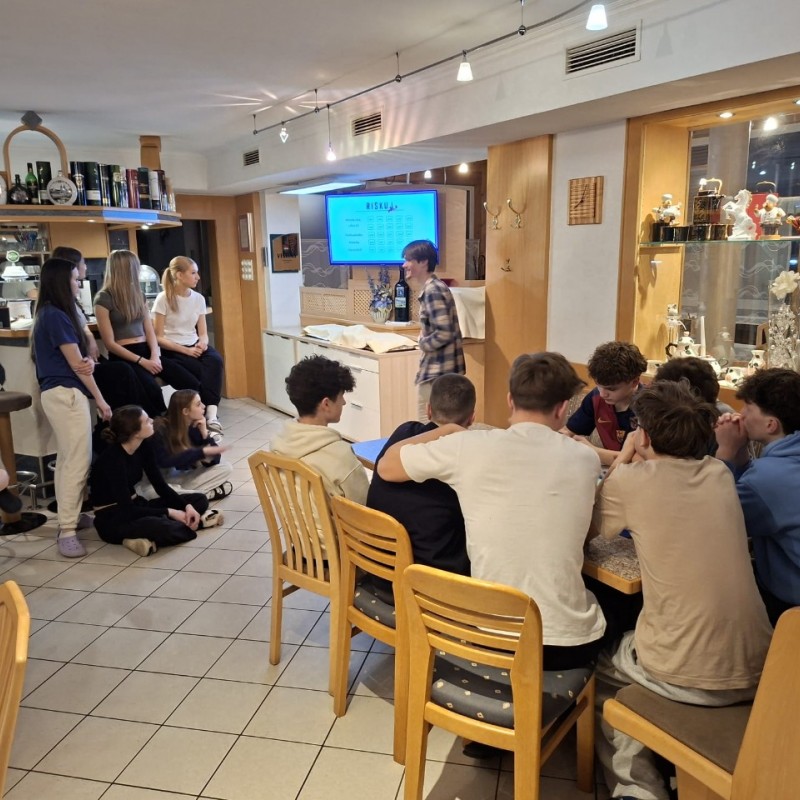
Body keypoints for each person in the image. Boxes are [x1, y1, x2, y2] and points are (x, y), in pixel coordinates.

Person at [593, 380, 772, 800]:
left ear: (644, 434)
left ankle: (637, 788)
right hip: (760, 664)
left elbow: (590, 530)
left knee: (602, 665)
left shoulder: (631, 481)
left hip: (687, 675)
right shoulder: (718, 474)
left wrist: (624, 457)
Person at [378, 352, 607, 670]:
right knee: (610, 603)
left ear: (510, 400)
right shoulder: (586, 459)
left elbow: (387, 466)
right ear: (562, 408)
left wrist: (447, 429)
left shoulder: (469, 447)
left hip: (488, 636)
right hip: (563, 648)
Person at [32, 257, 112, 557]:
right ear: (61, 282)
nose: (79, 284)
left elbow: (79, 361)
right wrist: (100, 400)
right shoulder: (55, 316)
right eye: (75, 280)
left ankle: (72, 517)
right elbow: (77, 366)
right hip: (65, 394)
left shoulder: (49, 314)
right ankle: (66, 529)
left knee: (68, 459)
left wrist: (86, 361)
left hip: (58, 393)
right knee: (78, 461)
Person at [367, 373, 475, 582]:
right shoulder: (464, 461)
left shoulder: (403, 433)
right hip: (428, 582)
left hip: (377, 568)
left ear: (428, 410)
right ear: (471, 418)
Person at [715, 368, 800, 625]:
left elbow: (712, 521)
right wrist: (741, 457)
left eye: (748, 409)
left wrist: (725, 453)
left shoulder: (768, 477)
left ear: (771, 424)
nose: (740, 414)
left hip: (790, 606)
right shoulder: (780, 465)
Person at [89, 405, 221, 557]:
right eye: (146, 421)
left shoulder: (143, 446)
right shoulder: (112, 459)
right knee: (168, 529)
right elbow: (127, 510)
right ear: (135, 432)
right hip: (113, 518)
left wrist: (186, 506)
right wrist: (170, 511)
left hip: (137, 505)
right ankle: (198, 522)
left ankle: (154, 532)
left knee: (199, 500)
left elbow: (161, 486)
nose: (152, 420)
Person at [52, 245, 143, 413]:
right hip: (74, 367)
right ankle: (131, 420)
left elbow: (82, 324)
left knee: (129, 376)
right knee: (124, 372)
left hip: (87, 358)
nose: (85, 267)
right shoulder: (57, 310)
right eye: (83, 263)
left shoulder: (70, 302)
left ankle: (137, 420)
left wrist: (90, 337)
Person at [271, 355, 368, 504]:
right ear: (326, 404)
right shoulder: (340, 456)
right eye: (341, 396)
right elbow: (365, 505)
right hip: (332, 521)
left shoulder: (278, 443)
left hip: (293, 519)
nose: (343, 402)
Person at [152, 256, 225, 435]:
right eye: (193, 273)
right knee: (199, 373)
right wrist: (186, 350)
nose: (198, 277)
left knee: (215, 360)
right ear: (179, 275)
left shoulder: (198, 299)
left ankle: (211, 414)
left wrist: (202, 344)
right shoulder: (163, 299)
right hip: (172, 349)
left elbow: (203, 333)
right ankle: (202, 419)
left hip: (193, 344)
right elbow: (158, 337)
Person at [94, 249, 166, 418]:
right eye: (136, 267)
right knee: (150, 389)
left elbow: (149, 330)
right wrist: (142, 361)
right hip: (124, 356)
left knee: (184, 374)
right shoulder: (103, 298)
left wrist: (155, 355)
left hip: (146, 351)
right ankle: (156, 424)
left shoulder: (139, 295)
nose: (139, 271)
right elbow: (110, 343)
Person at [401, 240, 465, 422]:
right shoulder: (434, 287)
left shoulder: (433, 290)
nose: (404, 265)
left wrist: (422, 342)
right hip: (442, 372)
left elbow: (444, 332)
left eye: (408, 260)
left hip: (438, 374)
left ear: (423, 262)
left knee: (428, 425)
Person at [565, 340, 647, 465]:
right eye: (599, 386)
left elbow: (645, 461)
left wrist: (593, 451)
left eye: (611, 389)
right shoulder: (595, 398)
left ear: (634, 382)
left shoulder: (652, 405)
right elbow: (568, 432)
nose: (603, 394)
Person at [150, 389, 233, 501]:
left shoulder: (194, 425)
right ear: (185, 411)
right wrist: (200, 453)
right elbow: (165, 462)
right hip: (158, 481)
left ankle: (187, 495)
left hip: (179, 477)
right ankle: (201, 495)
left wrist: (204, 433)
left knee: (225, 467)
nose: (204, 406)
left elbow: (214, 460)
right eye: (198, 404)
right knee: (152, 492)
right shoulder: (160, 428)